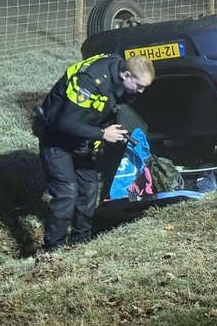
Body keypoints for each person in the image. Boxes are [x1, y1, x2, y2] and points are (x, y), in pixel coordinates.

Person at [35, 53, 155, 251]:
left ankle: (80, 244)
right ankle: (52, 250)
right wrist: (102, 133)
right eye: (139, 86)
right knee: (67, 193)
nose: (141, 92)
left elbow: (110, 106)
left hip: (85, 138)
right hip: (55, 137)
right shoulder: (90, 81)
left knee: (88, 191)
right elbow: (66, 121)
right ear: (126, 75)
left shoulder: (119, 71)